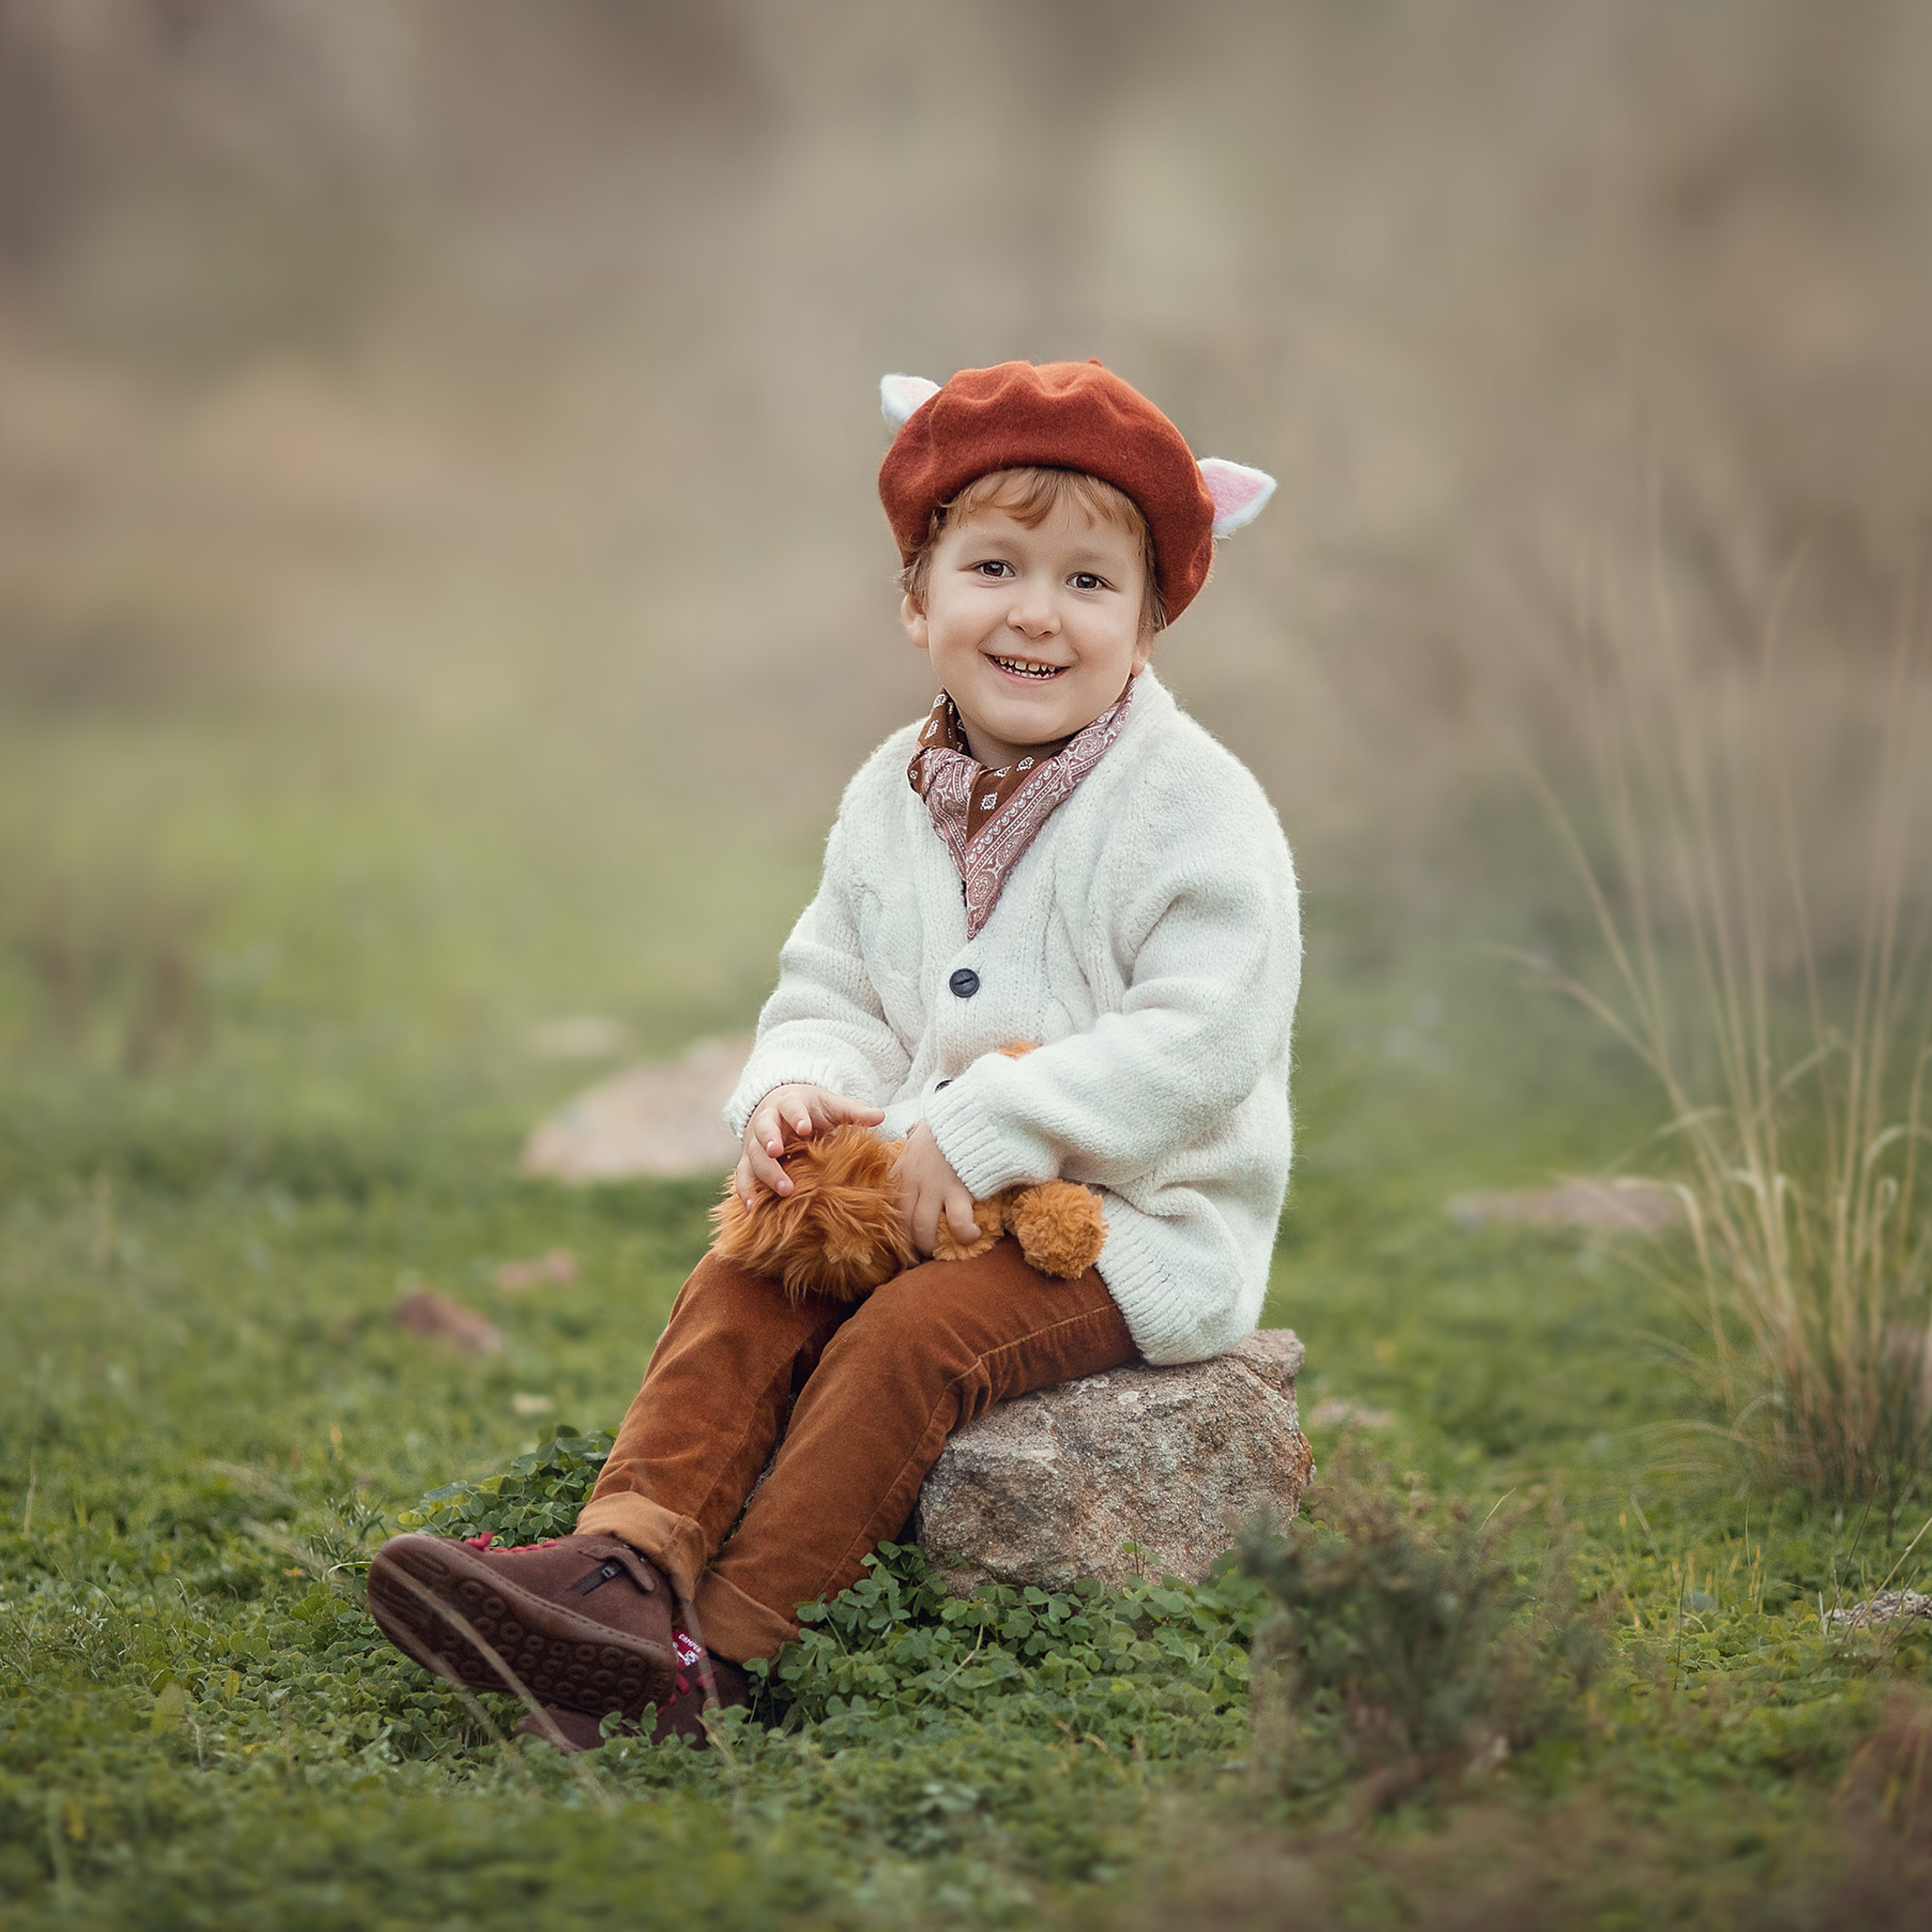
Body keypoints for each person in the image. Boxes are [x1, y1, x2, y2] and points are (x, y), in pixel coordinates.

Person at [368, 358, 1301, 1752]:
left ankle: (718, 1659)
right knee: (749, 1273)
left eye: (1090, 583)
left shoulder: (1196, 811)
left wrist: (987, 1127)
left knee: (905, 1343)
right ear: (919, 603)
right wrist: (797, 1086)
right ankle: (624, 1567)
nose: (1037, 612)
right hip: (908, 1184)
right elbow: (834, 983)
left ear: (1151, 626)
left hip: (1119, 1225)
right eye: (994, 566)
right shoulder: (890, 795)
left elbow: (1201, 1041)